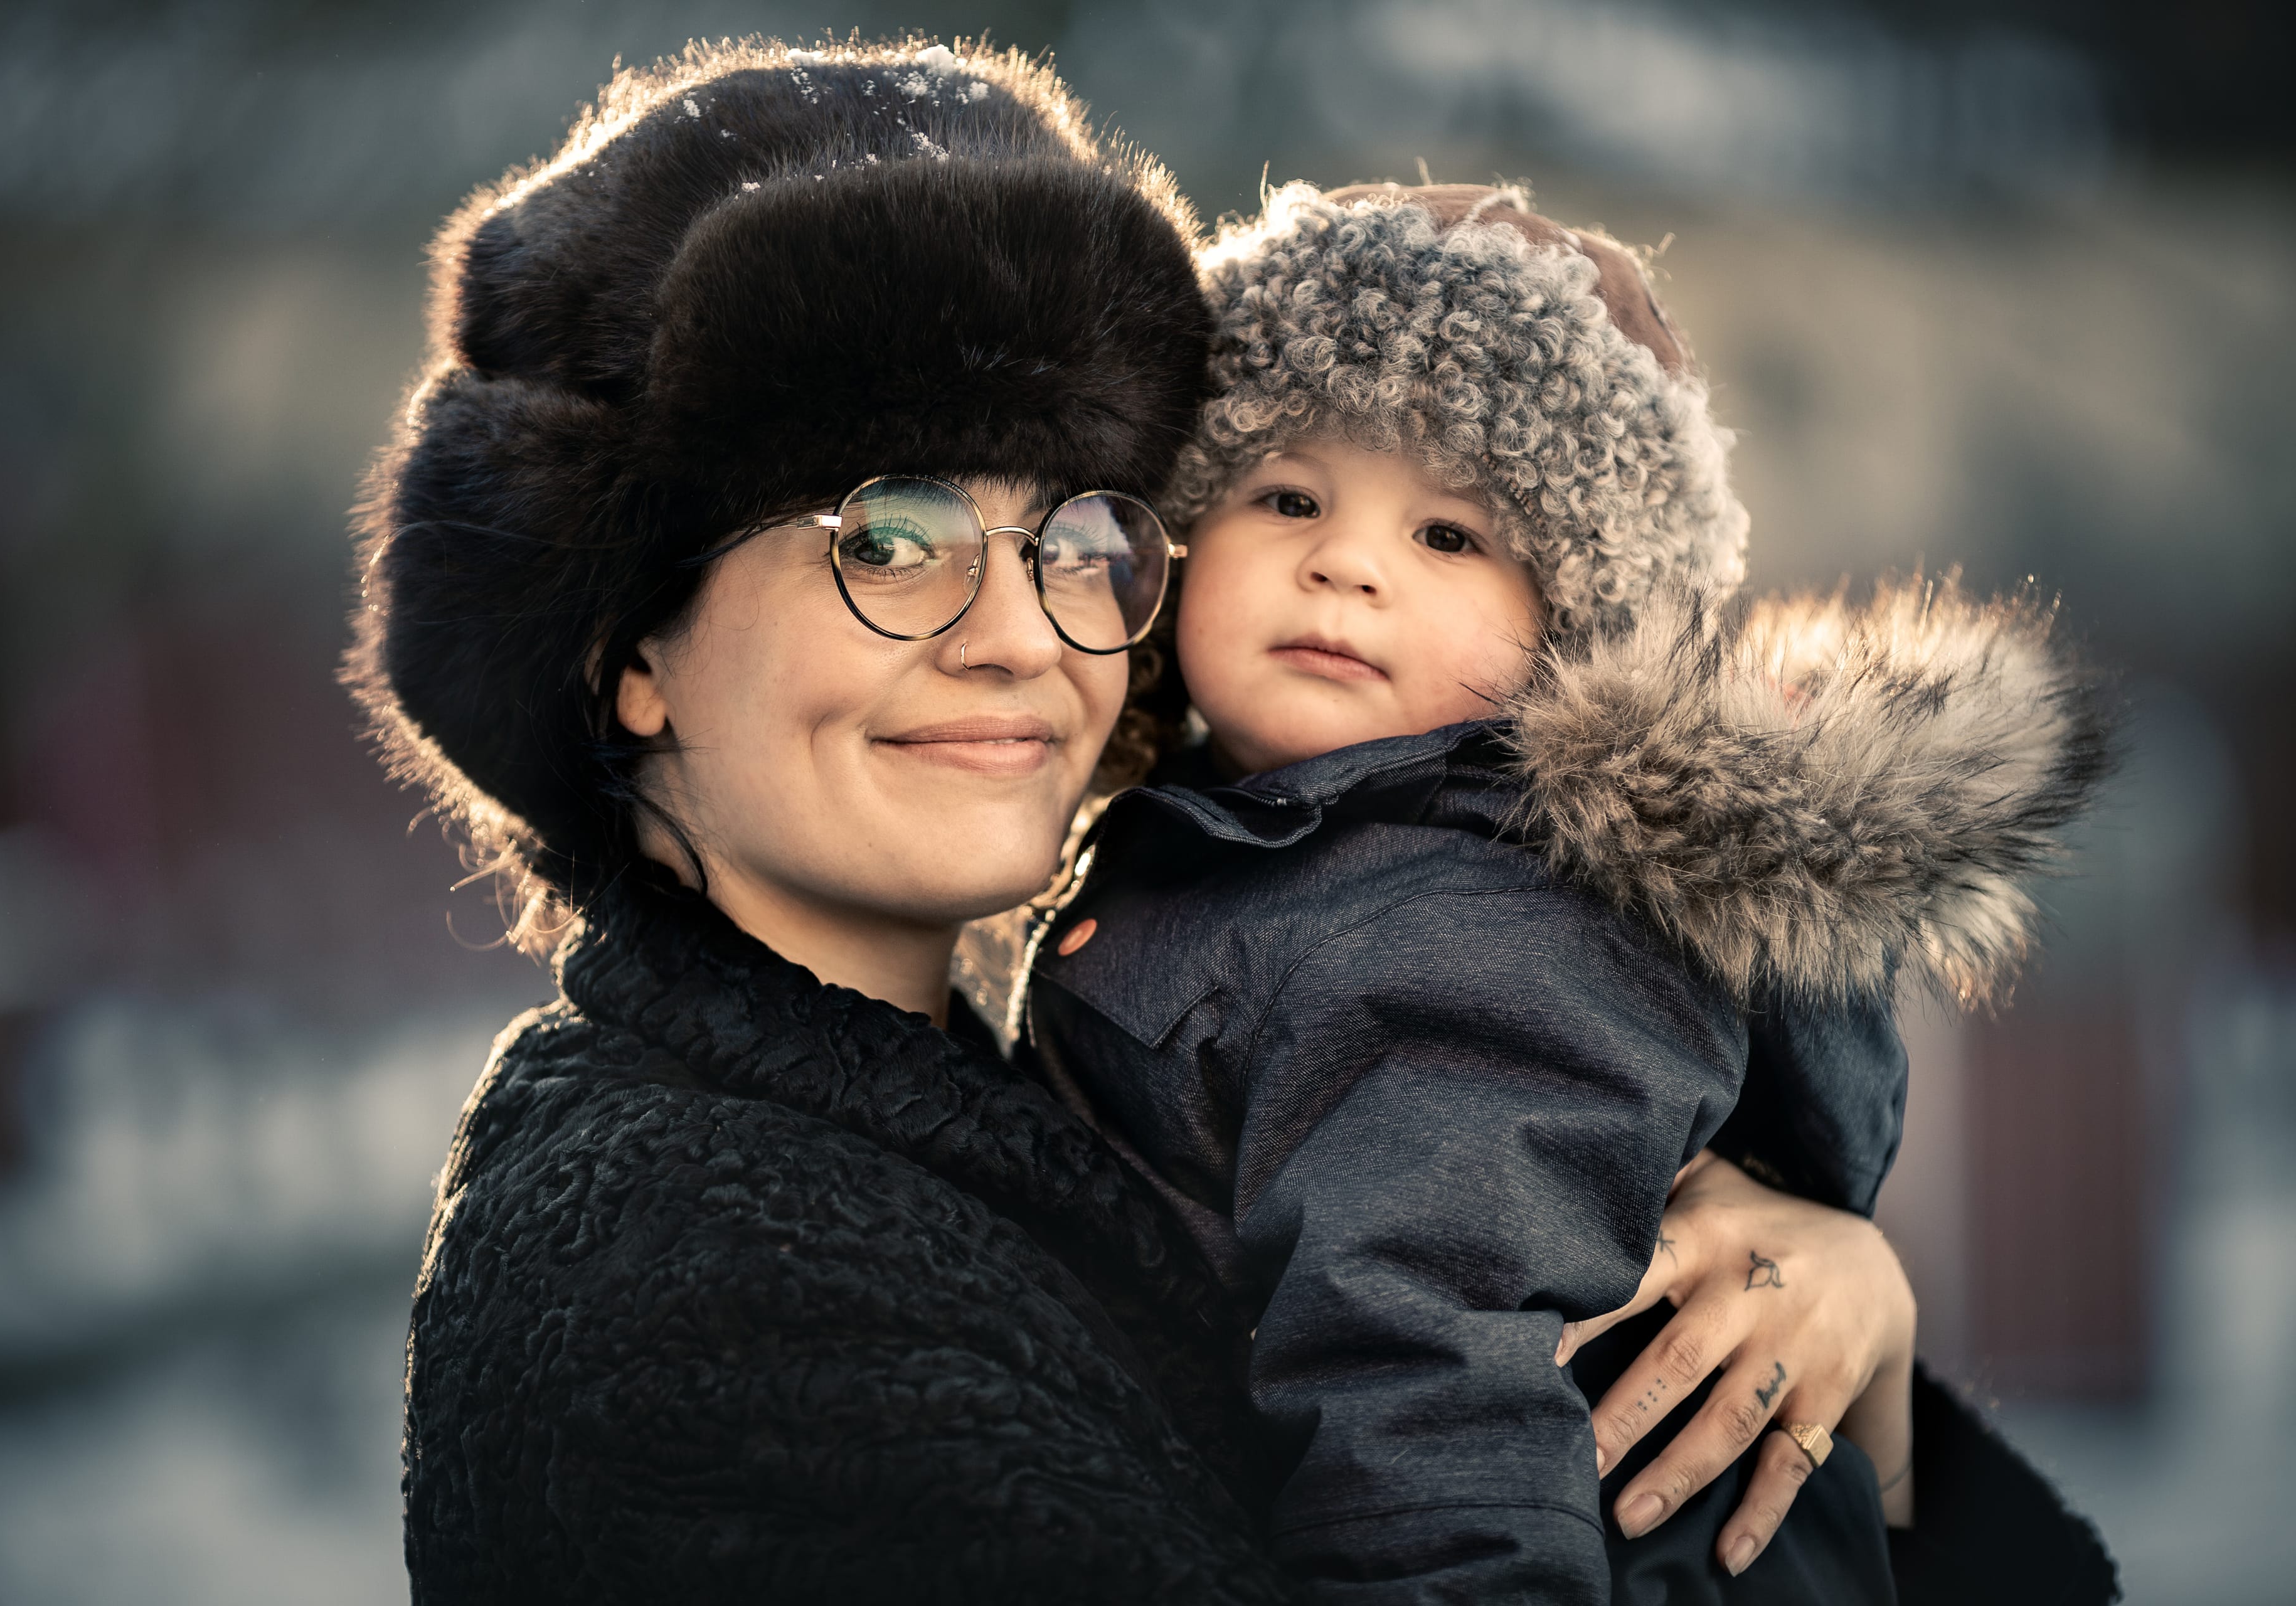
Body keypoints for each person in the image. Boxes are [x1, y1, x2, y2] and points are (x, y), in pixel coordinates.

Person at [344, 40, 2041, 1605]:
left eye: (1075, 535)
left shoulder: (1010, 1081)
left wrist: (1841, 1333)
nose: (1019, 634)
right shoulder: (699, 1282)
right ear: (630, 647)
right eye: (896, 537)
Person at [1022, 182, 2118, 1602]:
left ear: (1574, 634)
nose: (1345, 561)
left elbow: (1432, 1382)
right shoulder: (1228, 849)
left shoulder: (1464, 931)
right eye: (1285, 494)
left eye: (1452, 536)